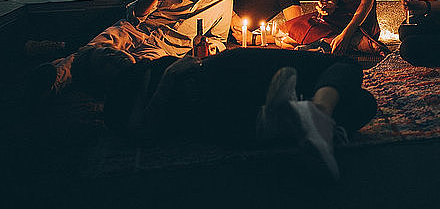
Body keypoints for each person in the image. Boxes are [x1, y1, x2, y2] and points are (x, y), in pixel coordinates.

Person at [104, 48, 378, 180]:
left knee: (362, 96)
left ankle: (313, 113)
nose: (109, 52)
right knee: (358, 102)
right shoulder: (118, 101)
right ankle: (302, 117)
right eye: (99, 58)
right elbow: (144, 132)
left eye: (107, 49)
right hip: (208, 101)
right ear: (95, 82)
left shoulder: (142, 63)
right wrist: (167, 78)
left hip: (221, 69)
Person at [28, 0, 238, 99]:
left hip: (164, 48)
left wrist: (206, 47)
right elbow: (133, 15)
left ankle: (97, 81)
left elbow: (218, 40)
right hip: (133, 30)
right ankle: (51, 81)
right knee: (94, 48)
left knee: (137, 71)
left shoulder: (222, 2)